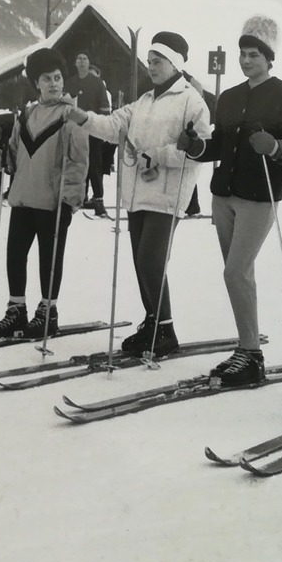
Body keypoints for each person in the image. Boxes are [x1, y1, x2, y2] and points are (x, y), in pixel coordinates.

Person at [178, 16, 282, 385]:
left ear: (269, 58)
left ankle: (252, 353)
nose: (247, 60)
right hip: (224, 196)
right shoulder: (231, 97)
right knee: (239, 275)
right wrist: (196, 147)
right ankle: (246, 349)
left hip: (259, 198)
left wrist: (276, 147)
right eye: (243, 54)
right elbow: (219, 144)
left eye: (254, 54)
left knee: (235, 271)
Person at [65, 31, 211, 357]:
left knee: (151, 260)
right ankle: (153, 323)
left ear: (175, 63)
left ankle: (166, 330)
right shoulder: (144, 101)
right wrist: (83, 118)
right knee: (141, 263)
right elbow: (114, 125)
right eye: (149, 61)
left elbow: (199, 150)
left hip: (167, 193)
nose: (152, 66)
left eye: (157, 61)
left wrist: (158, 155)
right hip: (136, 192)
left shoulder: (191, 101)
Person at [0, 48, 90, 339]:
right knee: (15, 255)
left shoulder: (72, 118)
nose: (54, 84)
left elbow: (78, 163)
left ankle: (48, 313)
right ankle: (16, 311)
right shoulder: (26, 115)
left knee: (49, 258)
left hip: (52, 204)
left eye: (58, 77)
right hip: (22, 198)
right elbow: (11, 160)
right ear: (36, 83)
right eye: (47, 78)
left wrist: (70, 201)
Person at [64, 51, 112, 216]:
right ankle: (79, 198)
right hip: (74, 131)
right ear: (75, 63)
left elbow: (105, 107)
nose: (82, 61)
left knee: (95, 165)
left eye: (85, 58)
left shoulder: (98, 83)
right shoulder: (69, 83)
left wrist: (103, 127)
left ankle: (98, 200)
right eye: (79, 58)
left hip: (92, 130)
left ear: (88, 62)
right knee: (76, 163)